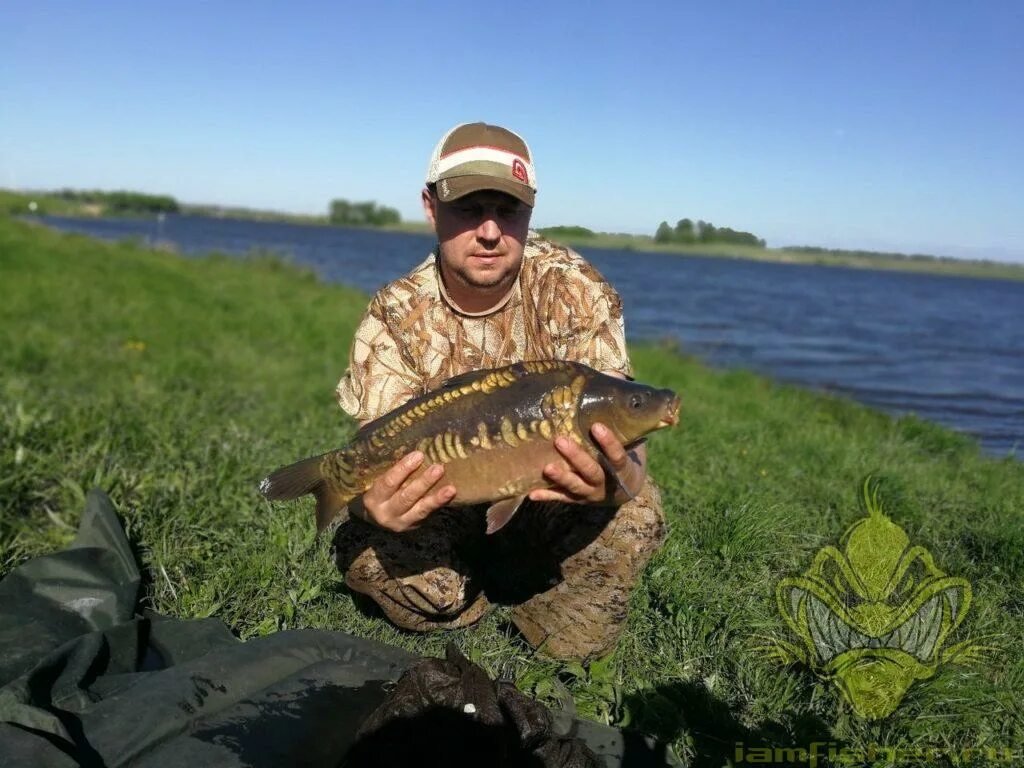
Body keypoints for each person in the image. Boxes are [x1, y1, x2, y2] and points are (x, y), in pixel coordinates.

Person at [332, 122, 667, 660]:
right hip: (443, 500)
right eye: (469, 208)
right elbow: (376, 454)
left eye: (508, 211)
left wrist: (618, 482)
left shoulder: (574, 288)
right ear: (430, 206)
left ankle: (534, 608)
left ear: (530, 212)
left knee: (636, 515)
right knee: (377, 558)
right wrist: (375, 509)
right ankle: (472, 589)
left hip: (549, 495)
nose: (490, 231)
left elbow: (628, 436)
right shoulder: (395, 314)